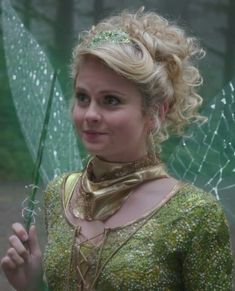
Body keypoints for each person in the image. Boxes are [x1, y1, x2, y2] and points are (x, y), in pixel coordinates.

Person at [1, 8, 233, 291]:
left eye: (110, 100)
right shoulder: (59, 194)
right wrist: (34, 287)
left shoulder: (195, 215)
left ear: (155, 112)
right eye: (83, 98)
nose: (90, 115)